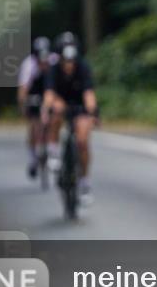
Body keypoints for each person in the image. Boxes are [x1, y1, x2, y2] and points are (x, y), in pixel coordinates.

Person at [42, 32, 99, 204]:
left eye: (71, 61)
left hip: (79, 105)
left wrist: (92, 112)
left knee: (82, 140)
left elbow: (89, 94)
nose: (69, 65)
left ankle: (84, 182)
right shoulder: (53, 69)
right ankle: (53, 152)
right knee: (56, 113)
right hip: (61, 104)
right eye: (65, 61)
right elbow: (49, 93)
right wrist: (48, 108)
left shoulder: (83, 67)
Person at [17, 36, 54, 179]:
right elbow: (23, 88)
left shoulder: (54, 61)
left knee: (52, 120)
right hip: (33, 94)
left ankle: (51, 149)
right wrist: (23, 104)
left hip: (49, 92)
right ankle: (33, 158)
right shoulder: (29, 65)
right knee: (33, 127)